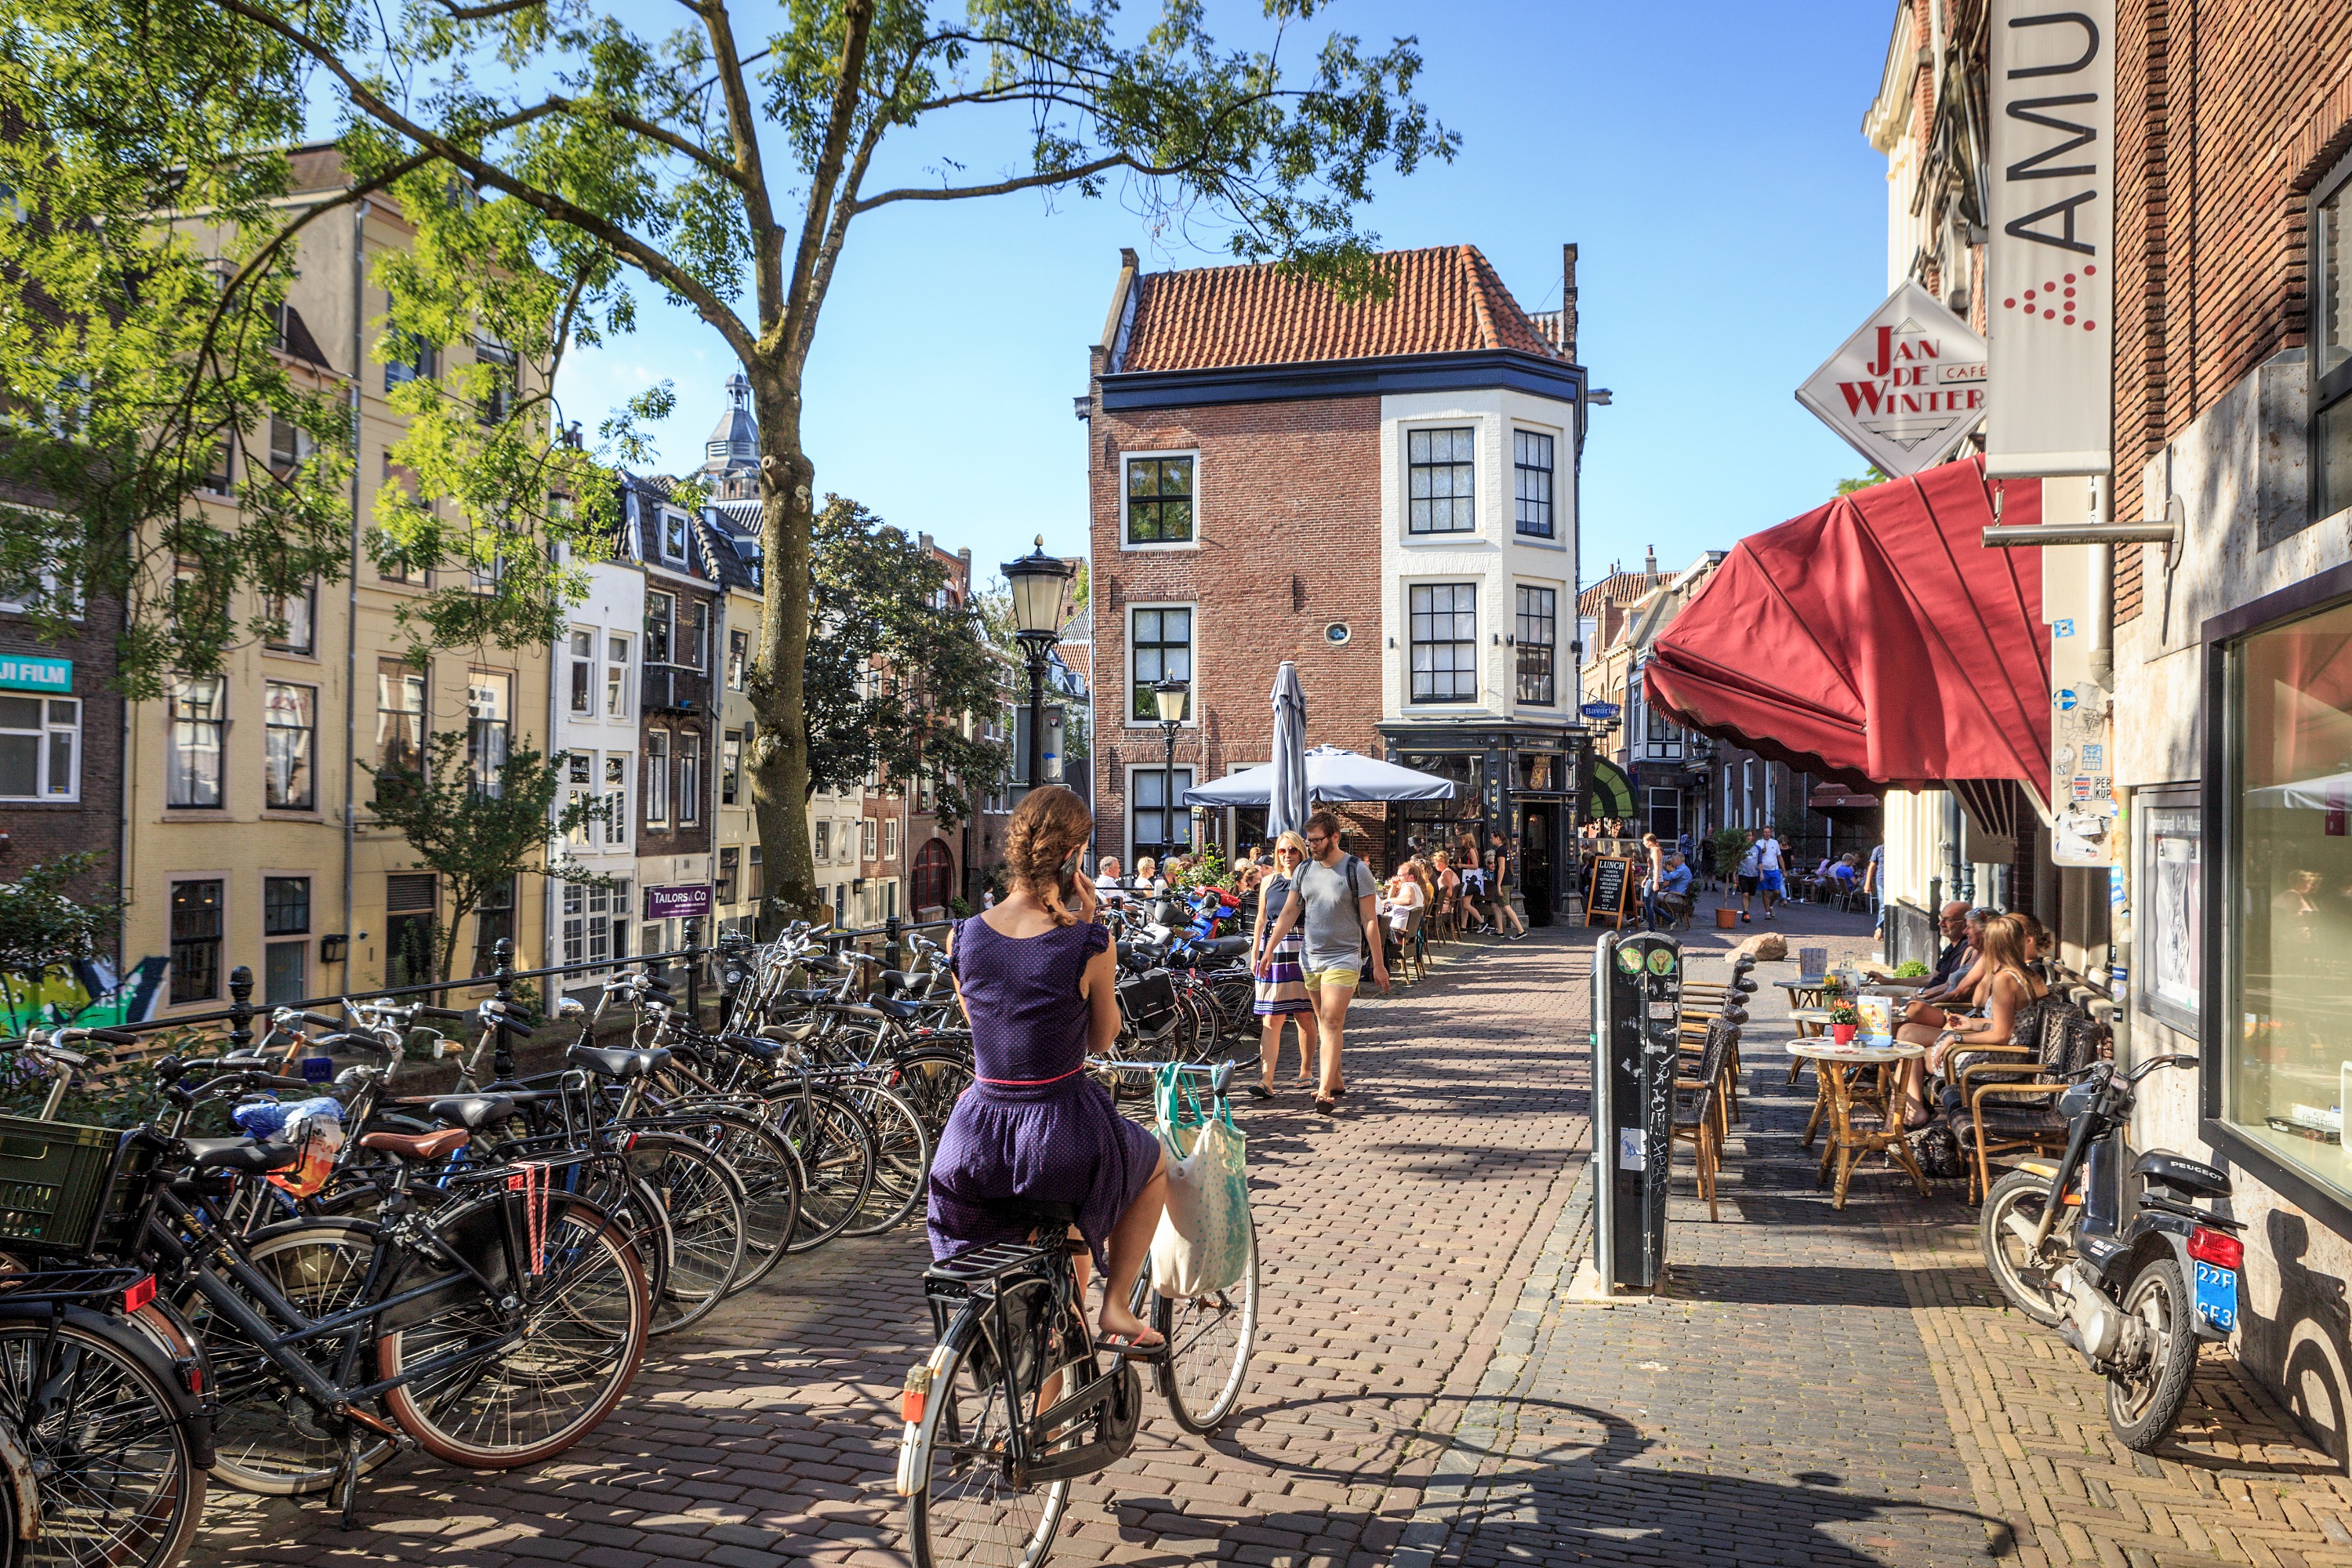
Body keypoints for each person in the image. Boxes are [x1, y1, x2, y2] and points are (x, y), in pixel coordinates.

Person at [929, 786, 1168, 1353]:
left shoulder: (962, 937)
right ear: (1074, 857)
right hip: (1058, 1134)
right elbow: (1103, 1037)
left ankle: (1023, 1415)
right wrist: (1089, 926)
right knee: (1156, 1164)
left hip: (975, 1140)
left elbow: (982, 1021)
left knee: (1028, 1310)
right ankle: (1116, 1306)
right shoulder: (1088, 941)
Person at [1257, 811, 1388, 1114]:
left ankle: (1325, 1090)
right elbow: (1289, 912)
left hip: (1343, 955)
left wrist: (1379, 964)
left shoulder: (1356, 869)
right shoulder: (1304, 871)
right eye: (1310, 840)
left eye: (1317, 840)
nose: (1312, 846)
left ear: (1335, 837)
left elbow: (1370, 919)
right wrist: (1268, 950)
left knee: (1330, 1021)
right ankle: (1337, 1077)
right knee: (1325, 1022)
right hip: (1310, 957)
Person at [1893, 913, 2050, 1127]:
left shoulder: (2007, 979)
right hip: (2010, 1055)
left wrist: (1956, 1038)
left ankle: (1904, 1117)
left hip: (2000, 1062)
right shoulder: (2029, 975)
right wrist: (1972, 1024)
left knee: (1912, 1054)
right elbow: (2017, 1024)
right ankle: (1904, 1115)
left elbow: (2002, 1036)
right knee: (1908, 1036)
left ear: (1995, 944)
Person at [1247, 832, 1319, 1098]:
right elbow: (1260, 919)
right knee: (1271, 1016)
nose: (1287, 855)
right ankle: (1266, 1080)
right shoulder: (1268, 881)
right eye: (1282, 851)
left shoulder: (1310, 879)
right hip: (1273, 951)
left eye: (1292, 850)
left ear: (1302, 852)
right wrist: (1256, 951)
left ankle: (1306, 1070)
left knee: (1303, 1014)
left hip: (1302, 949)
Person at [1487, 830, 1528, 940]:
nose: (1491, 840)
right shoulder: (1505, 849)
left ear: (1498, 838)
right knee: (1495, 905)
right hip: (1506, 881)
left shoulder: (1501, 850)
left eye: (1492, 838)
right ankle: (1500, 930)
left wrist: (1499, 885)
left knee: (1506, 906)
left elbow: (1501, 868)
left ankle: (1521, 930)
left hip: (1504, 882)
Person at [1646, 852, 1693, 929]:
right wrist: (1666, 889)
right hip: (1677, 895)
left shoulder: (1682, 869)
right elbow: (1676, 885)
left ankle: (1652, 920)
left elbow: (1669, 877)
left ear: (1677, 861)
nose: (1672, 862)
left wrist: (1661, 869)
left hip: (1676, 897)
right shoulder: (1683, 869)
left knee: (1649, 899)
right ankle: (1665, 919)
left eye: (1673, 860)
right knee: (1651, 902)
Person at [1754, 826, 1786, 918]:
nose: (1767, 834)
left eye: (1768, 832)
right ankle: (1767, 911)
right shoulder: (1758, 843)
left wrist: (1784, 870)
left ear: (1771, 833)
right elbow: (1755, 856)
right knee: (1765, 892)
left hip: (1774, 870)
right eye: (1765, 832)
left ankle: (1771, 905)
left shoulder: (1775, 842)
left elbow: (1779, 857)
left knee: (1777, 891)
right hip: (1763, 870)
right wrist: (1762, 852)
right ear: (1762, 833)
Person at [1733, 830, 1761, 923]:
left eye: (1750, 836)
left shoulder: (1757, 848)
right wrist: (1735, 873)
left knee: (1750, 896)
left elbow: (1760, 862)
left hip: (1753, 874)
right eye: (1746, 836)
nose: (1748, 838)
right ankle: (1746, 913)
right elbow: (1736, 861)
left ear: (1753, 837)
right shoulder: (1741, 848)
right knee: (1745, 894)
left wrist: (1761, 873)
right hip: (1743, 874)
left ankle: (1746, 912)